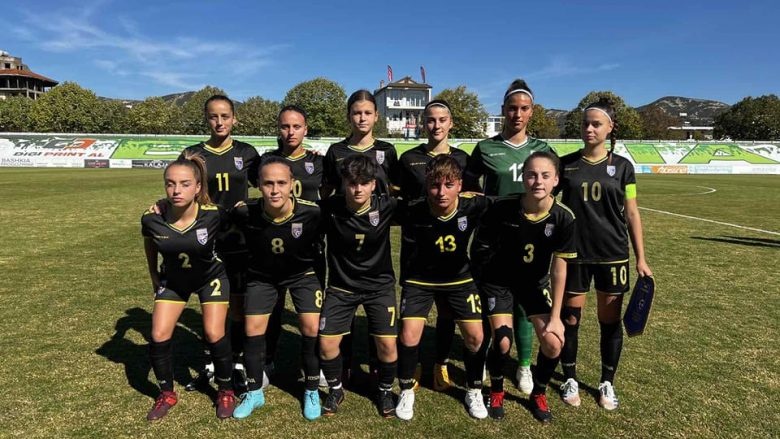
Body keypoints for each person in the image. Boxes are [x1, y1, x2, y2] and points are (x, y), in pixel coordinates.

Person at [557, 98, 653, 410]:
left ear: (610, 127)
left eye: (596, 124)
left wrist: (641, 258)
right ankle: (569, 377)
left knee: (609, 322)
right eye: (585, 123)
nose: (589, 129)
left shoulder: (624, 168)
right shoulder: (566, 164)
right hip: (574, 255)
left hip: (612, 255)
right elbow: (546, 202)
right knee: (570, 319)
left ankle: (607, 382)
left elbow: (632, 212)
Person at [472, 151, 577, 422]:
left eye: (545, 175)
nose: (538, 181)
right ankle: (497, 390)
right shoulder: (503, 207)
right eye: (531, 175)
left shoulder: (564, 217)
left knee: (554, 342)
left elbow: (559, 268)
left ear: (556, 180)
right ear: (523, 177)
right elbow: (482, 246)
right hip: (499, 283)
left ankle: (538, 393)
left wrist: (556, 317)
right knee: (503, 341)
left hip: (534, 285)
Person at [463, 79, 554, 395]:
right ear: (503, 110)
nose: (517, 114)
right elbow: (470, 187)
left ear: (532, 111)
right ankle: (486, 358)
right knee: (491, 304)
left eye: (524, 108)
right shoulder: (485, 148)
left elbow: (554, 190)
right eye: (512, 108)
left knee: (525, 305)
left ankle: (524, 365)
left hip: (530, 241)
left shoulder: (543, 150)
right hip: (492, 241)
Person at [142, 153, 235, 420]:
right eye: (170, 184)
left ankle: (226, 390)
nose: (176, 190)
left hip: (210, 278)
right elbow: (150, 242)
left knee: (214, 332)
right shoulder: (151, 218)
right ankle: (166, 393)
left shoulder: (214, 215)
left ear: (197, 187)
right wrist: (153, 274)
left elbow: (235, 234)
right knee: (158, 334)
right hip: (175, 281)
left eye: (184, 184)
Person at [395, 155, 488, 420]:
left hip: (459, 279)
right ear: (427, 185)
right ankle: (406, 390)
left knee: (475, 337)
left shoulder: (473, 205)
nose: (441, 192)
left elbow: (510, 205)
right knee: (409, 336)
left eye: (448, 185)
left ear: (460, 185)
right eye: (435, 185)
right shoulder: (413, 208)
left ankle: (474, 390)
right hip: (420, 280)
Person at [229, 158, 323, 420]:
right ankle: (254, 392)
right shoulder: (244, 212)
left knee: (311, 328)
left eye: (281, 183)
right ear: (258, 185)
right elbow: (212, 218)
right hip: (262, 277)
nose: (274, 190)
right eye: (268, 183)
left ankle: (311, 389)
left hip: (303, 275)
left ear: (292, 184)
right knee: (252, 329)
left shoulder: (312, 212)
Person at [179, 95, 260, 393]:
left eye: (225, 116)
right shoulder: (192, 154)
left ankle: (236, 364)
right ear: (206, 118)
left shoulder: (247, 153)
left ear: (234, 118)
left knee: (237, 306)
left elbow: (269, 183)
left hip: (239, 240)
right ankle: (209, 365)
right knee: (210, 306)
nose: (220, 122)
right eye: (213, 116)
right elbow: (181, 190)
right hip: (206, 240)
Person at [322, 89, 398, 384]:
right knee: (345, 307)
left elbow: (394, 190)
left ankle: (378, 367)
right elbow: (327, 190)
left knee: (377, 316)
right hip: (344, 228)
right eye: (356, 113)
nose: (362, 118)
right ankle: (345, 366)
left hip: (375, 229)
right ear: (349, 116)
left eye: (367, 113)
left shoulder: (387, 150)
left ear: (376, 116)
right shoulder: (336, 151)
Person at [397, 99, 470, 392]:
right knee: (413, 312)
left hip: (450, 251)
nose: (436, 125)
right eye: (430, 120)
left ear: (451, 123)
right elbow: (398, 198)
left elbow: (471, 197)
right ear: (422, 124)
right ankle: (414, 364)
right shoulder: (408, 159)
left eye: (441, 120)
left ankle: (441, 362)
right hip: (416, 248)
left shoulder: (463, 159)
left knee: (447, 311)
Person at [318, 155, 399, 418]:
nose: (358, 189)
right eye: (352, 183)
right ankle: (336, 389)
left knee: (387, 345)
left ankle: (385, 391)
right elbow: (296, 208)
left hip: (379, 287)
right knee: (326, 344)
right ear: (344, 183)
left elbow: (425, 206)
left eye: (364, 183)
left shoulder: (387, 206)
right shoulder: (330, 208)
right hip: (342, 288)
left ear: (374, 184)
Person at [259, 105, 325, 382]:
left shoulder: (319, 162)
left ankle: (314, 366)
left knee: (312, 314)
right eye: (285, 126)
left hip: (310, 248)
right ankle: (267, 361)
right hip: (273, 247)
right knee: (272, 310)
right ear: (278, 129)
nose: (290, 132)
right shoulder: (266, 160)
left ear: (305, 129)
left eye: (296, 126)